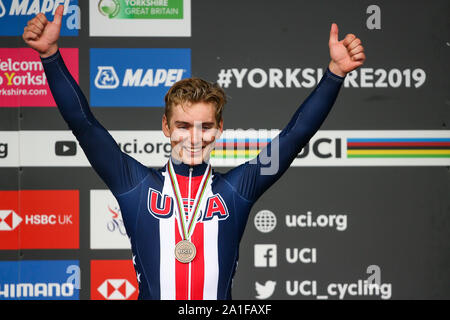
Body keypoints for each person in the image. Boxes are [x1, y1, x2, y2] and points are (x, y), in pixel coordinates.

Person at [23, 5, 365, 300]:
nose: (194, 137)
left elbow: (295, 136)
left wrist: (334, 75)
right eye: (184, 126)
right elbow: (84, 126)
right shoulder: (135, 185)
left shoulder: (236, 190)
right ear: (166, 128)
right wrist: (50, 56)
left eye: (205, 126)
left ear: (219, 130)